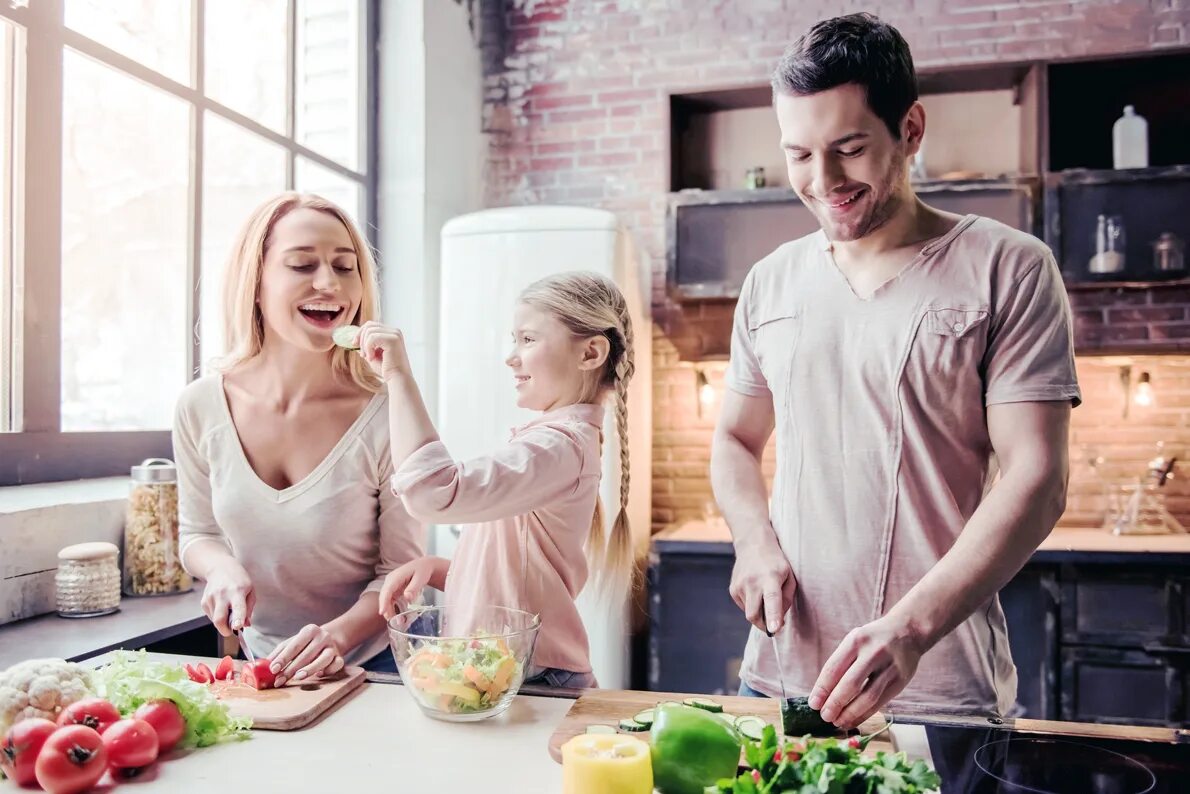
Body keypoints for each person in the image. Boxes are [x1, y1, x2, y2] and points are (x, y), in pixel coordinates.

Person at [710, 13, 1080, 727]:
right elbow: (733, 439)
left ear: (910, 130)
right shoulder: (770, 282)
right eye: (800, 155)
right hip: (785, 674)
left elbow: (1039, 478)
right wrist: (753, 541)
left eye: (849, 149)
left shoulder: (1009, 267)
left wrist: (910, 629)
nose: (824, 182)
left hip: (939, 688)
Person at [176, 192, 425, 685]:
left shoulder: (386, 413)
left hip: (380, 670)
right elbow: (197, 535)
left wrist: (334, 638)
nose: (329, 284)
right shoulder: (199, 406)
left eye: (345, 266)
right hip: (263, 667)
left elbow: (402, 575)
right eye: (302, 264)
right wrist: (222, 569)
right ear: (256, 282)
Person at [363, 271, 636, 689]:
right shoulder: (556, 445)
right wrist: (441, 570)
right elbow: (516, 573)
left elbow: (433, 493)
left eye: (528, 340)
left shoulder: (558, 447)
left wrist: (398, 377)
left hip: (536, 679)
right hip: (516, 674)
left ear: (591, 353)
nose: (512, 356)